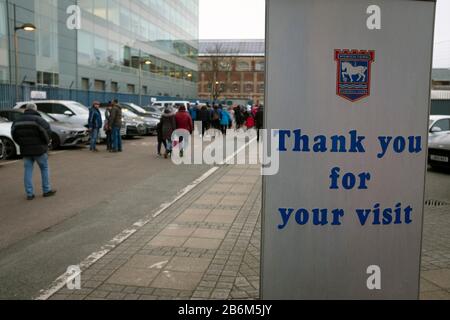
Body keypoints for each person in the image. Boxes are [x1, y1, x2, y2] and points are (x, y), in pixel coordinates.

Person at [11, 103, 56, 200]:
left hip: (25, 150)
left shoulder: (17, 121)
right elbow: (47, 133)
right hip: (40, 150)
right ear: (35, 109)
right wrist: (46, 144)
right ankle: (46, 190)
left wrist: (21, 144)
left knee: (28, 171)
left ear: (26, 109)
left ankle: (29, 194)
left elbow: (14, 135)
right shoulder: (39, 120)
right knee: (44, 169)